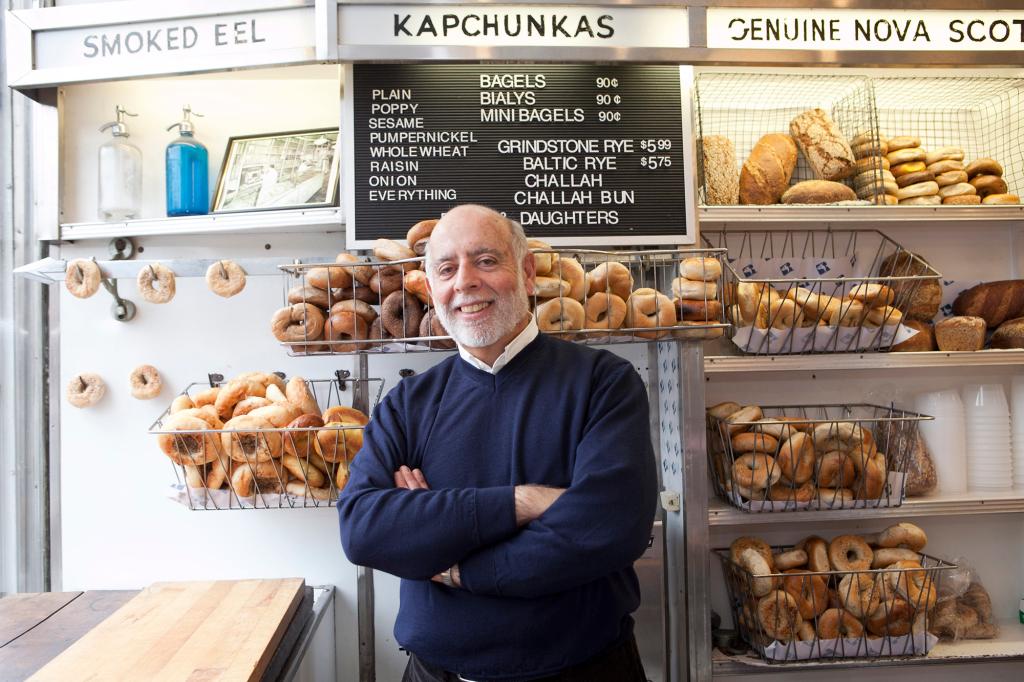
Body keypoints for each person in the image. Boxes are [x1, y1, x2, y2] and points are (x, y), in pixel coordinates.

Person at [338, 204, 657, 682]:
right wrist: (523, 502)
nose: (464, 281)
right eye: (446, 268)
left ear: (527, 273)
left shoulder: (604, 383)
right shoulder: (407, 404)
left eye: (486, 261)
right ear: (431, 289)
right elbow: (364, 530)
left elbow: (609, 528)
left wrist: (454, 564)